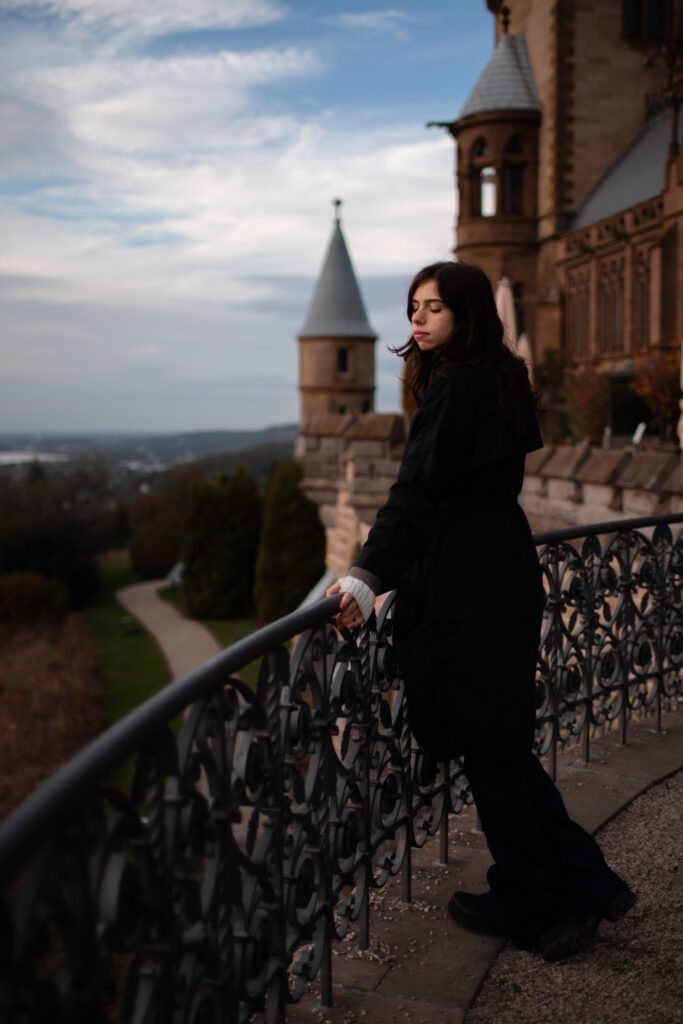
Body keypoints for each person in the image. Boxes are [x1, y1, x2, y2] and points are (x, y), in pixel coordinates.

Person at [326, 260, 635, 960]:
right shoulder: (497, 374)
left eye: (434, 307)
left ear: (464, 315)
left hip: (466, 585)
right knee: (501, 742)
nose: (417, 318)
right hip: (499, 569)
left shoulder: (455, 386)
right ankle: (584, 882)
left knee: (487, 745)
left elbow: (416, 491)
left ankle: (528, 898)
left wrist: (366, 576)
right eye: (413, 306)